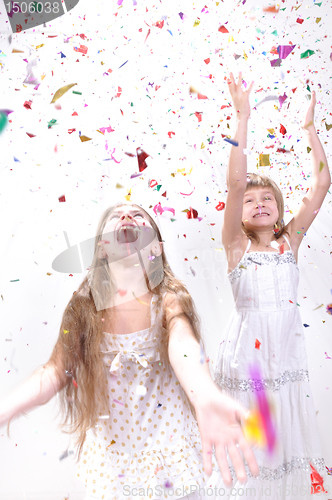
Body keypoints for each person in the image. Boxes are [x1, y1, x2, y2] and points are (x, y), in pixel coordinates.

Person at [0, 202, 259, 500]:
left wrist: (204, 393)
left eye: (139, 217)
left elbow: (182, 344)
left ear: (157, 249)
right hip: (115, 457)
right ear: (100, 249)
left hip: (167, 451)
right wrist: (5, 410)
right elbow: (55, 371)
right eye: (116, 217)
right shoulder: (84, 307)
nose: (126, 217)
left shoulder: (169, 299)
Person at [211, 72, 331, 499]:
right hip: (249, 358)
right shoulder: (235, 246)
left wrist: (310, 130)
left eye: (268, 199)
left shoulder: (289, 243)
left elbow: (320, 187)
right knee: (253, 443)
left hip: (286, 351)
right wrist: (242, 117)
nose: (259, 203)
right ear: (240, 214)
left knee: (281, 442)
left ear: (279, 210)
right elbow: (236, 182)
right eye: (251, 201)